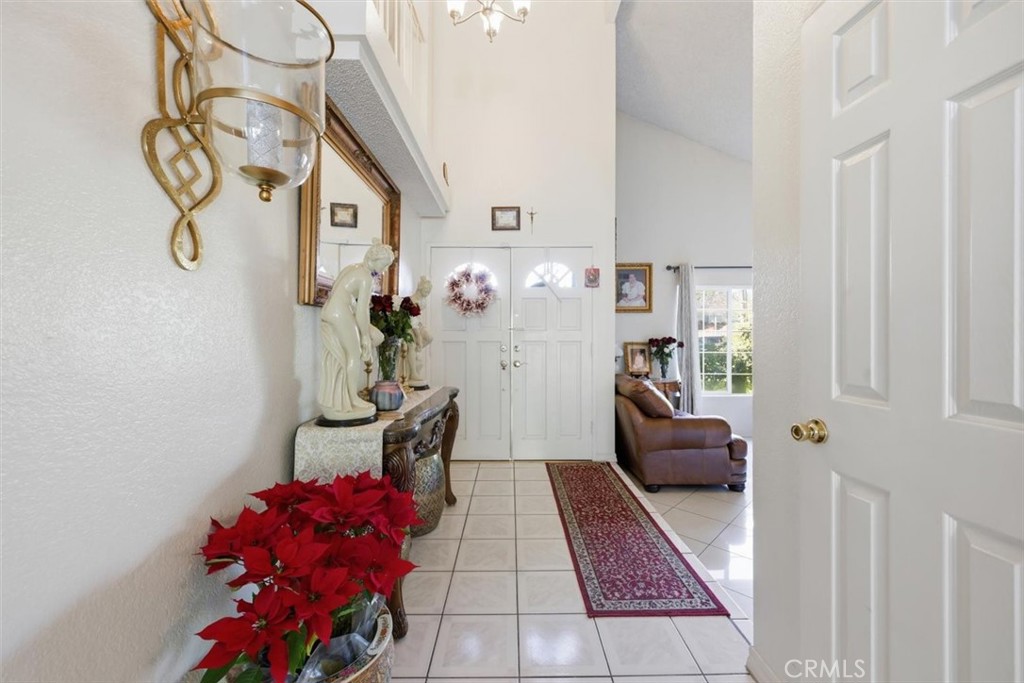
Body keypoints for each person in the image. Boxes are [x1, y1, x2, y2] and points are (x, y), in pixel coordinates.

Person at [318, 240, 394, 422]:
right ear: (374, 259)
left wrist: (367, 333)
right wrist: (365, 336)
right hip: (339, 312)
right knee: (354, 353)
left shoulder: (353, 268)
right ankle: (352, 399)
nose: (382, 271)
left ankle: (344, 397)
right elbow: (361, 312)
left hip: (332, 310)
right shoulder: (366, 277)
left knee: (357, 349)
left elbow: (338, 289)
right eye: (383, 266)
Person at [406, 276, 433, 388]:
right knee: (411, 345)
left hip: (417, 324)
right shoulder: (412, 301)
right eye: (425, 291)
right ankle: (413, 373)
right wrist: (418, 338)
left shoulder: (423, 301)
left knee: (429, 337)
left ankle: (417, 352)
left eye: (428, 291)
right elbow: (412, 321)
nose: (427, 293)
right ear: (419, 288)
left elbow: (417, 320)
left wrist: (421, 340)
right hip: (408, 326)